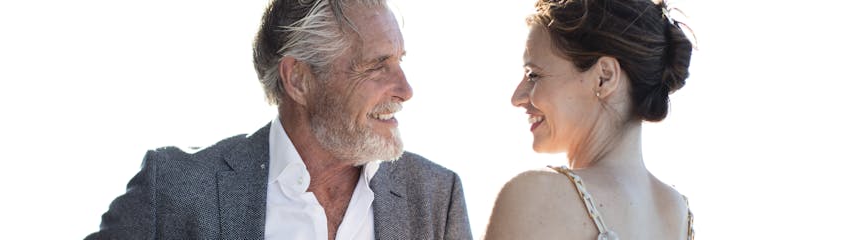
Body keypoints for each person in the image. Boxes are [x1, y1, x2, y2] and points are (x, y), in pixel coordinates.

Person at [85, 0, 471, 239]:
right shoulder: (175, 187)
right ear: (298, 79)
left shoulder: (437, 196)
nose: (405, 89)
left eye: (399, 61)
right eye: (376, 66)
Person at [484, 0, 694, 239]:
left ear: (604, 77)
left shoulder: (537, 195)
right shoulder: (677, 213)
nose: (517, 98)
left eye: (533, 75)